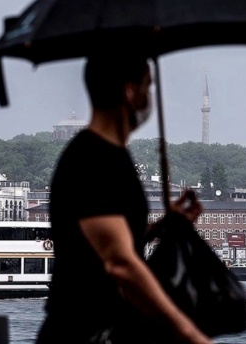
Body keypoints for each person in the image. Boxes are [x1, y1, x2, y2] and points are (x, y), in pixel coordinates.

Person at [36, 56, 212, 344]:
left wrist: (166, 225)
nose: (150, 98)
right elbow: (118, 261)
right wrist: (190, 333)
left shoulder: (112, 157)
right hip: (83, 329)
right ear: (130, 92)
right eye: (148, 87)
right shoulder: (93, 159)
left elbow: (105, 240)